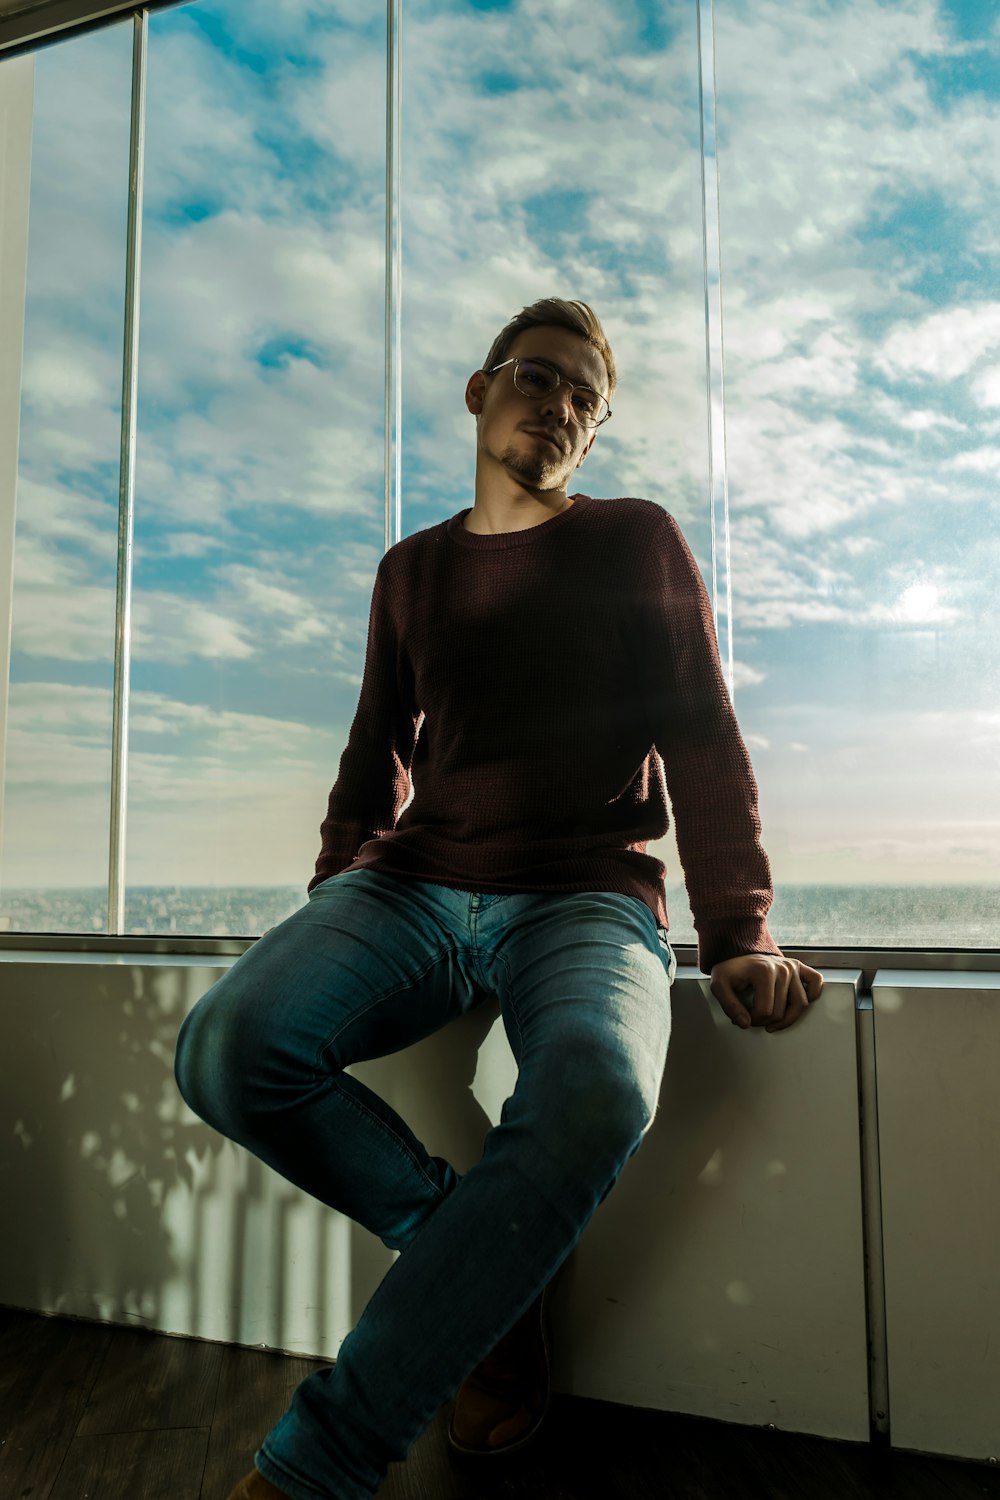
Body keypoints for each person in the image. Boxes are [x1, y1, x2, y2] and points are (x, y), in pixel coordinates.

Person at [174, 297, 823, 1500]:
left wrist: (737, 928)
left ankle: (320, 1461)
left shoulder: (635, 539)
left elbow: (702, 735)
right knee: (225, 1049)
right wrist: (333, 895)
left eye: (587, 397)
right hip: (414, 888)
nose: (561, 405)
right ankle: (480, 1271)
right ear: (480, 392)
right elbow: (375, 753)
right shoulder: (410, 569)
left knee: (599, 1087)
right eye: (539, 376)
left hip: (586, 896)